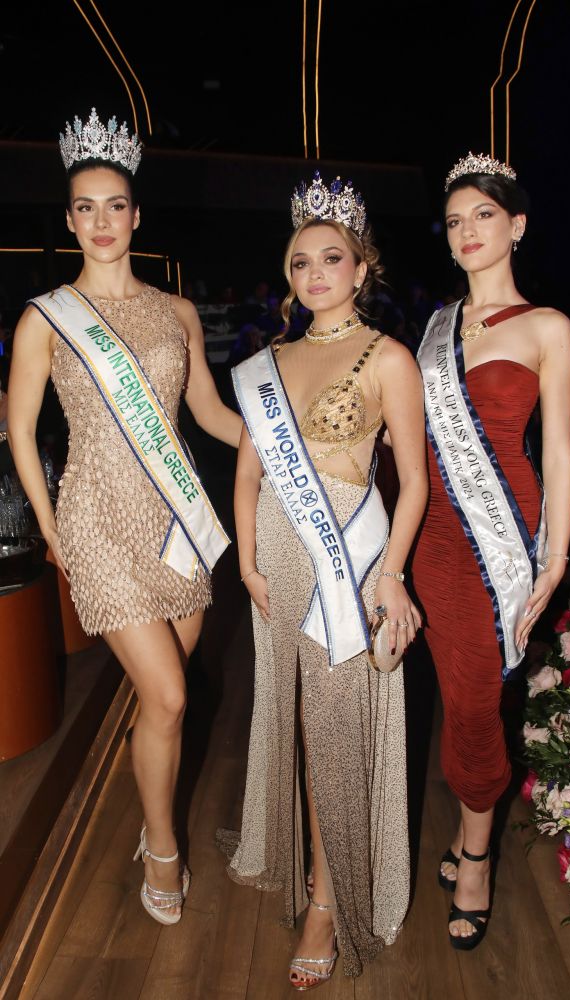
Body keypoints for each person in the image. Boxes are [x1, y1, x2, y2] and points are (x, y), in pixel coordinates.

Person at [7, 109, 242, 925]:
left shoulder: (177, 312)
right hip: (97, 520)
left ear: (136, 216)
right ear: (70, 219)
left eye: (115, 206)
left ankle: (153, 813)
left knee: (159, 703)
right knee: (171, 696)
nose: (101, 221)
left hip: (175, 521)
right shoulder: (46, 316)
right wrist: (51, 528)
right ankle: (162, 846)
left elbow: (208, 414)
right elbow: (21, 428)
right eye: (86, 207)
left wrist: (296, 449)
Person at [223, 171, 428, 987]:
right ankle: (308, 867)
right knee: (296, 722)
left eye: (332, 258)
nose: (315, 273)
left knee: (335, 733)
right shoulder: (268, 362)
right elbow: (247, 475)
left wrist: (394, 575)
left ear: (361, 267)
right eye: (301, 261)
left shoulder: (389, 358)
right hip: (276, 561)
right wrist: (247, 560)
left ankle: (327, 898)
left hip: (349, 561)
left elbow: (414, 483)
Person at [412, 152, 570, 950]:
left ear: (516, 226)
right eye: (455, 220)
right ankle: (468, 826)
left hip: (501, 534)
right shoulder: (434, 329)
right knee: (457, 692)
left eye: (484, 215)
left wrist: (556, 557)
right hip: (430, 538)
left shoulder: (547, 327)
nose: (468, 231)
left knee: (477, 701)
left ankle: (475, 856)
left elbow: (560, 452)